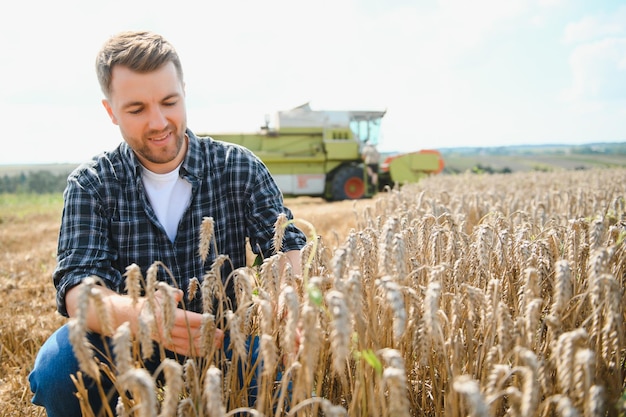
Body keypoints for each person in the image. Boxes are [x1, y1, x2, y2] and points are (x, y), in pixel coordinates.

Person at [28, 30, 307, 417]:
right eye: (137, 109)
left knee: (287, 372)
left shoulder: (238, 166)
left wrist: (291, 303)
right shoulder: (92, 183)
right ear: (110, 111)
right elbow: (78, 287)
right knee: (59, 372)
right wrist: (143, 316)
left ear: (184, 92)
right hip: (123, 339)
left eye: (169, 102)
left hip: (224, 337)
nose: (159, 122)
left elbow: (285, 244)